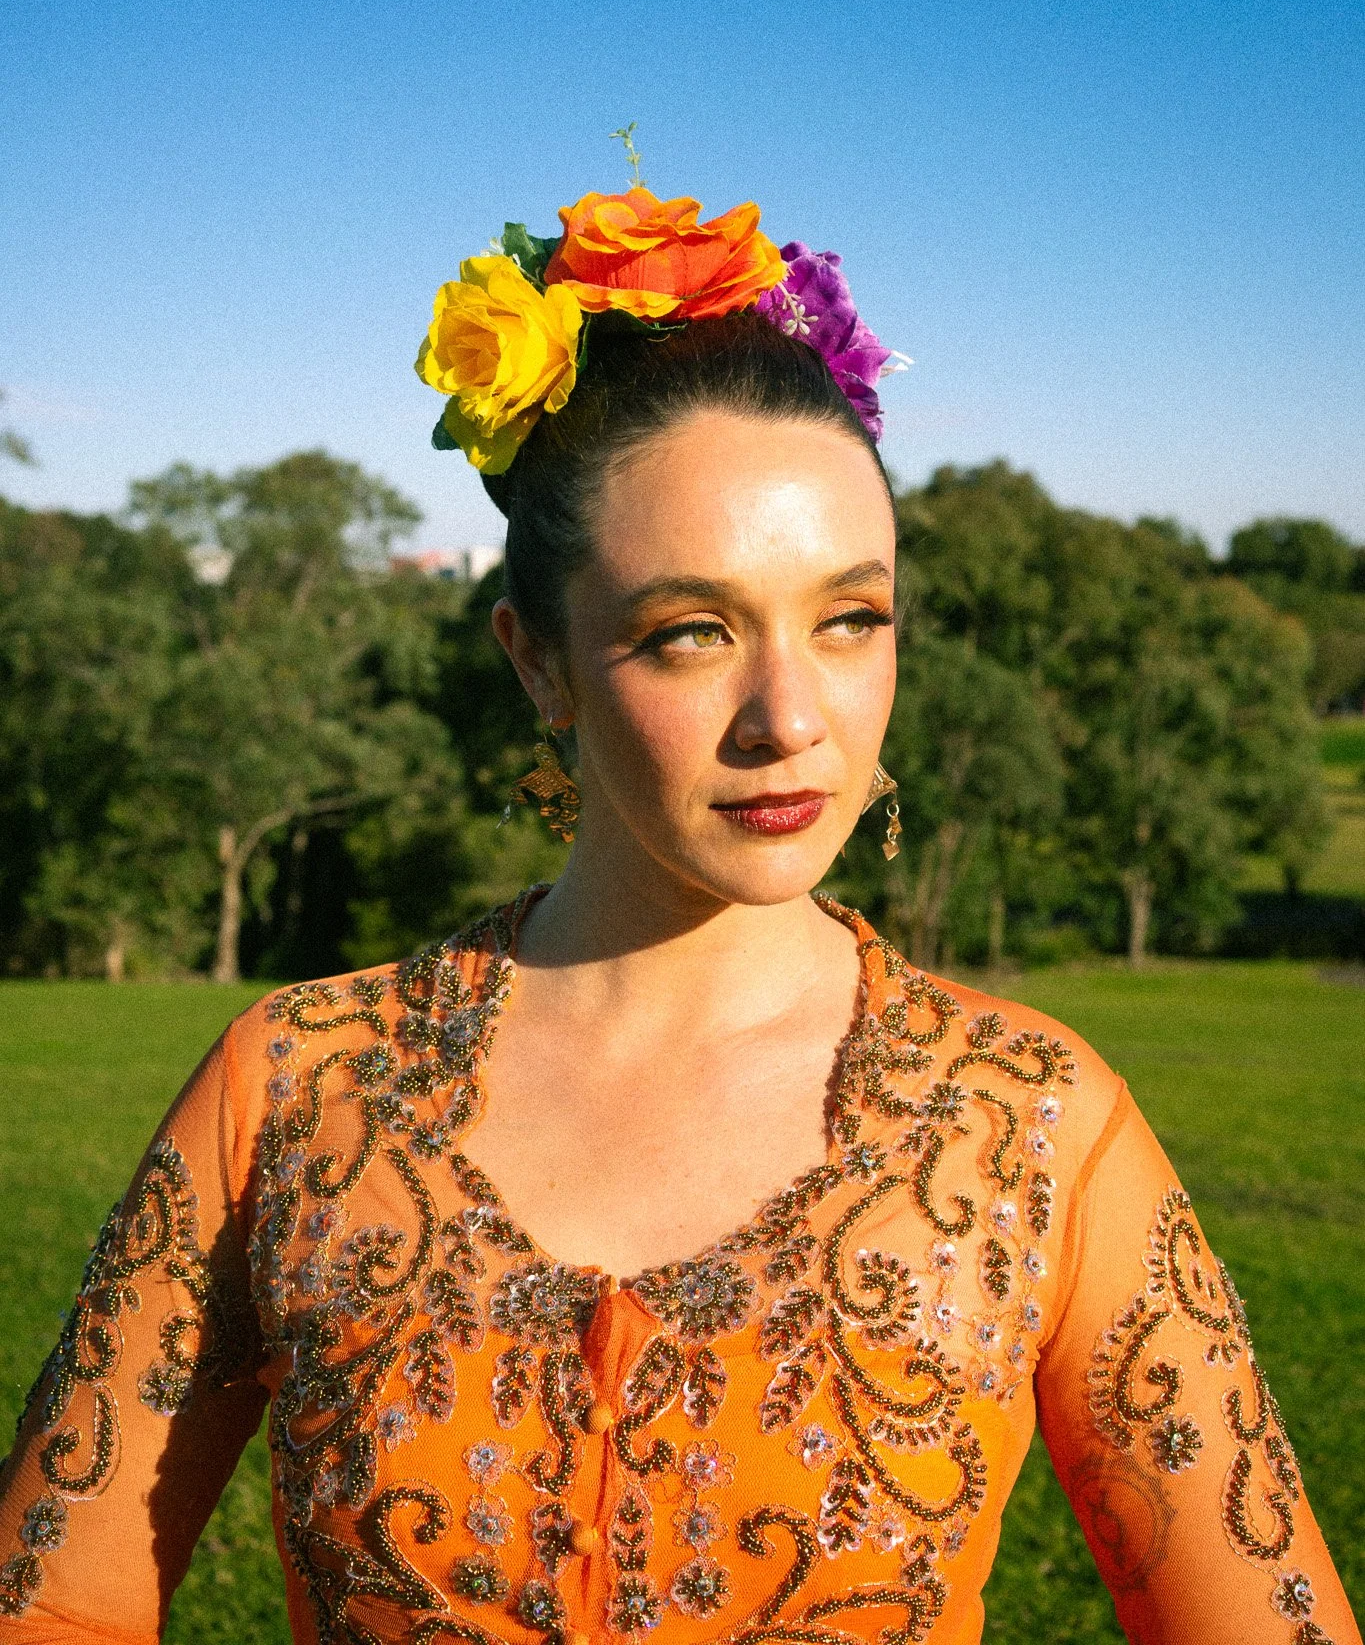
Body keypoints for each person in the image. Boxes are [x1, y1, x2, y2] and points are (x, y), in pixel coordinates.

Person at [0, 184, 1356, 1645]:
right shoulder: (296, 1087)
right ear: (541, 662)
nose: (791, 718)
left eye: (851, 619)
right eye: (690, 632)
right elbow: (51, 1604)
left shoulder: (1031, 1124)